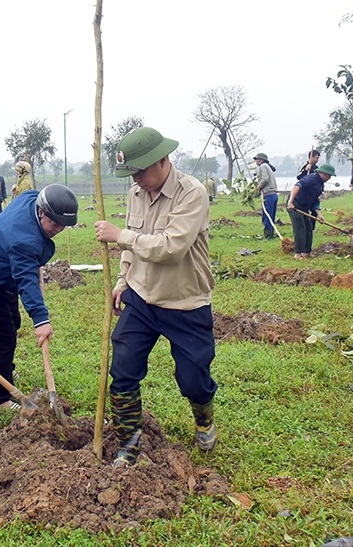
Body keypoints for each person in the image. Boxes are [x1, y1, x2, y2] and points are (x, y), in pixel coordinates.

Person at [93, 126, 218, 466]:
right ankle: (128, 445)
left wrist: (121, 236)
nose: (135, 180)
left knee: (193, 379)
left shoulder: (191, 193)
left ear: (162, 160)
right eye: (130, 173)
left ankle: (204, 417)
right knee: (124, 369)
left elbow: (171, 248)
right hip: (141, 296)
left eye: (140, 171)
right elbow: (133, 247)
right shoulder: (137, 194)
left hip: (185, 301)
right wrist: (122, 280)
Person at [0, 184, 78, 409]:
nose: (58, 229)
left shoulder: (31, 197)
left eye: (63, 225)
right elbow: (27, 281)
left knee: (13, 323)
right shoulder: (24, 241)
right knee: (2, 340)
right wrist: (41, 321)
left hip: (5, 281)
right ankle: (1, 397)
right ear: (41, 212)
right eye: (54, 224)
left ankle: (5, 369)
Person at [287, 164, 335, 259]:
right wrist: (291, 202)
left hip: (305, 206)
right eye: (329, 176)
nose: (329, 178)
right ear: (324, 174)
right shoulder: (311, 178)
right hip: (295, 204)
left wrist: (320, 215)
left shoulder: (321, 184)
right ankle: (298, 253)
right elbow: (297, 186)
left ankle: (306, 252)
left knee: (309, 228)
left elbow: (315, 201)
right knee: (300, 228)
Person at [253, 153, 278, 239]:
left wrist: (258, 188)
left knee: (267, 216)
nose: (255, 161)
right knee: (271, 216)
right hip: (274, 194)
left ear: (261, 160)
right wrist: (255, 195)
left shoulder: (263, 166)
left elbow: (264, 179)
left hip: (268, 195)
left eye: (256, 159)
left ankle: (268, 235)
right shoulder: (268, 167)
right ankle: (271, 234)